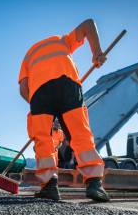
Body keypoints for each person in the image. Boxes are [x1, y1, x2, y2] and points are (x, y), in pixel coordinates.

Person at [18, 19, 109, 202]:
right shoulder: (60, 40)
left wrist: (38, 107)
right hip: (68, 84)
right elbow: (89, 24)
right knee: (80, 133)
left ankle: (50, 186)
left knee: (43, 138)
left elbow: (23, 89)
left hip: (40, 93)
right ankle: (94, 184)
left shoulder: (28, 56)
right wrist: (97, 52)